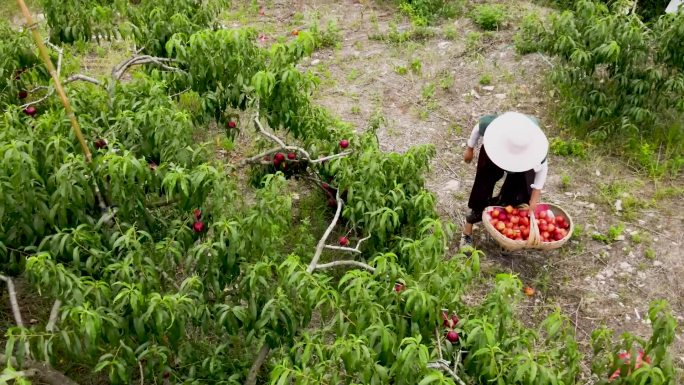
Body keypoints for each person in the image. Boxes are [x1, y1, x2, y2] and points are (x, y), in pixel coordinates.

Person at [460, 111, 549, 248]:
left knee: (519, 192)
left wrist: (534, 197)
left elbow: (542, 168)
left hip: (524, 162)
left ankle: (507, 227)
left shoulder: (536, 147)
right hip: (495, 152)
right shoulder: (493, 127)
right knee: (482, 185)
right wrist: (470, 148)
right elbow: (478, 127)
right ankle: (467, 231)